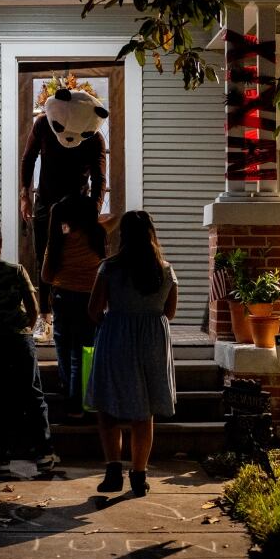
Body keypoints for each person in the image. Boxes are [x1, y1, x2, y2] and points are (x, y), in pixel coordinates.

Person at [85, 210, 177, 497]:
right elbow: (170, 311)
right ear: (151, 233)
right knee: (144, 410)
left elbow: (94, 309)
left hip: (116, 337)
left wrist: (115, 321)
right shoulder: (165, 270)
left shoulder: (109, 267)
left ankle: (113, 470)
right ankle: (139, 475)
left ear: (122, 234)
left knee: (108, 405)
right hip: (152, 340)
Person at [0, 220, 57, 478]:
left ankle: (1, 460)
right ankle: (44, 456)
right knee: (33, 396)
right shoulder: (16, 271)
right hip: (20, 341)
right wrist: (25, 329)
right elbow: (34, 307)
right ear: (0, 242)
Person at [20, 106, 107, 340]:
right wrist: (25, 195)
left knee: (75, 258)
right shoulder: (44, 123)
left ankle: (80, 315)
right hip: (46, 202)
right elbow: (29, 157)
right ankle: (45, 318)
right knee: (44, 257)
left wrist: (94, 210)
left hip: (77, 208)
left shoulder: (93, 135)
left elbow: (99, 177)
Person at [41, 195, 107, 420]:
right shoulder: (97, 237)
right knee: (83, 350)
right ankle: (81, 400)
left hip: (63, 297)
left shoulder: (59, 241)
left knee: (64, 348)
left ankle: (71, 398)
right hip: (89, 298)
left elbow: (46, 276)